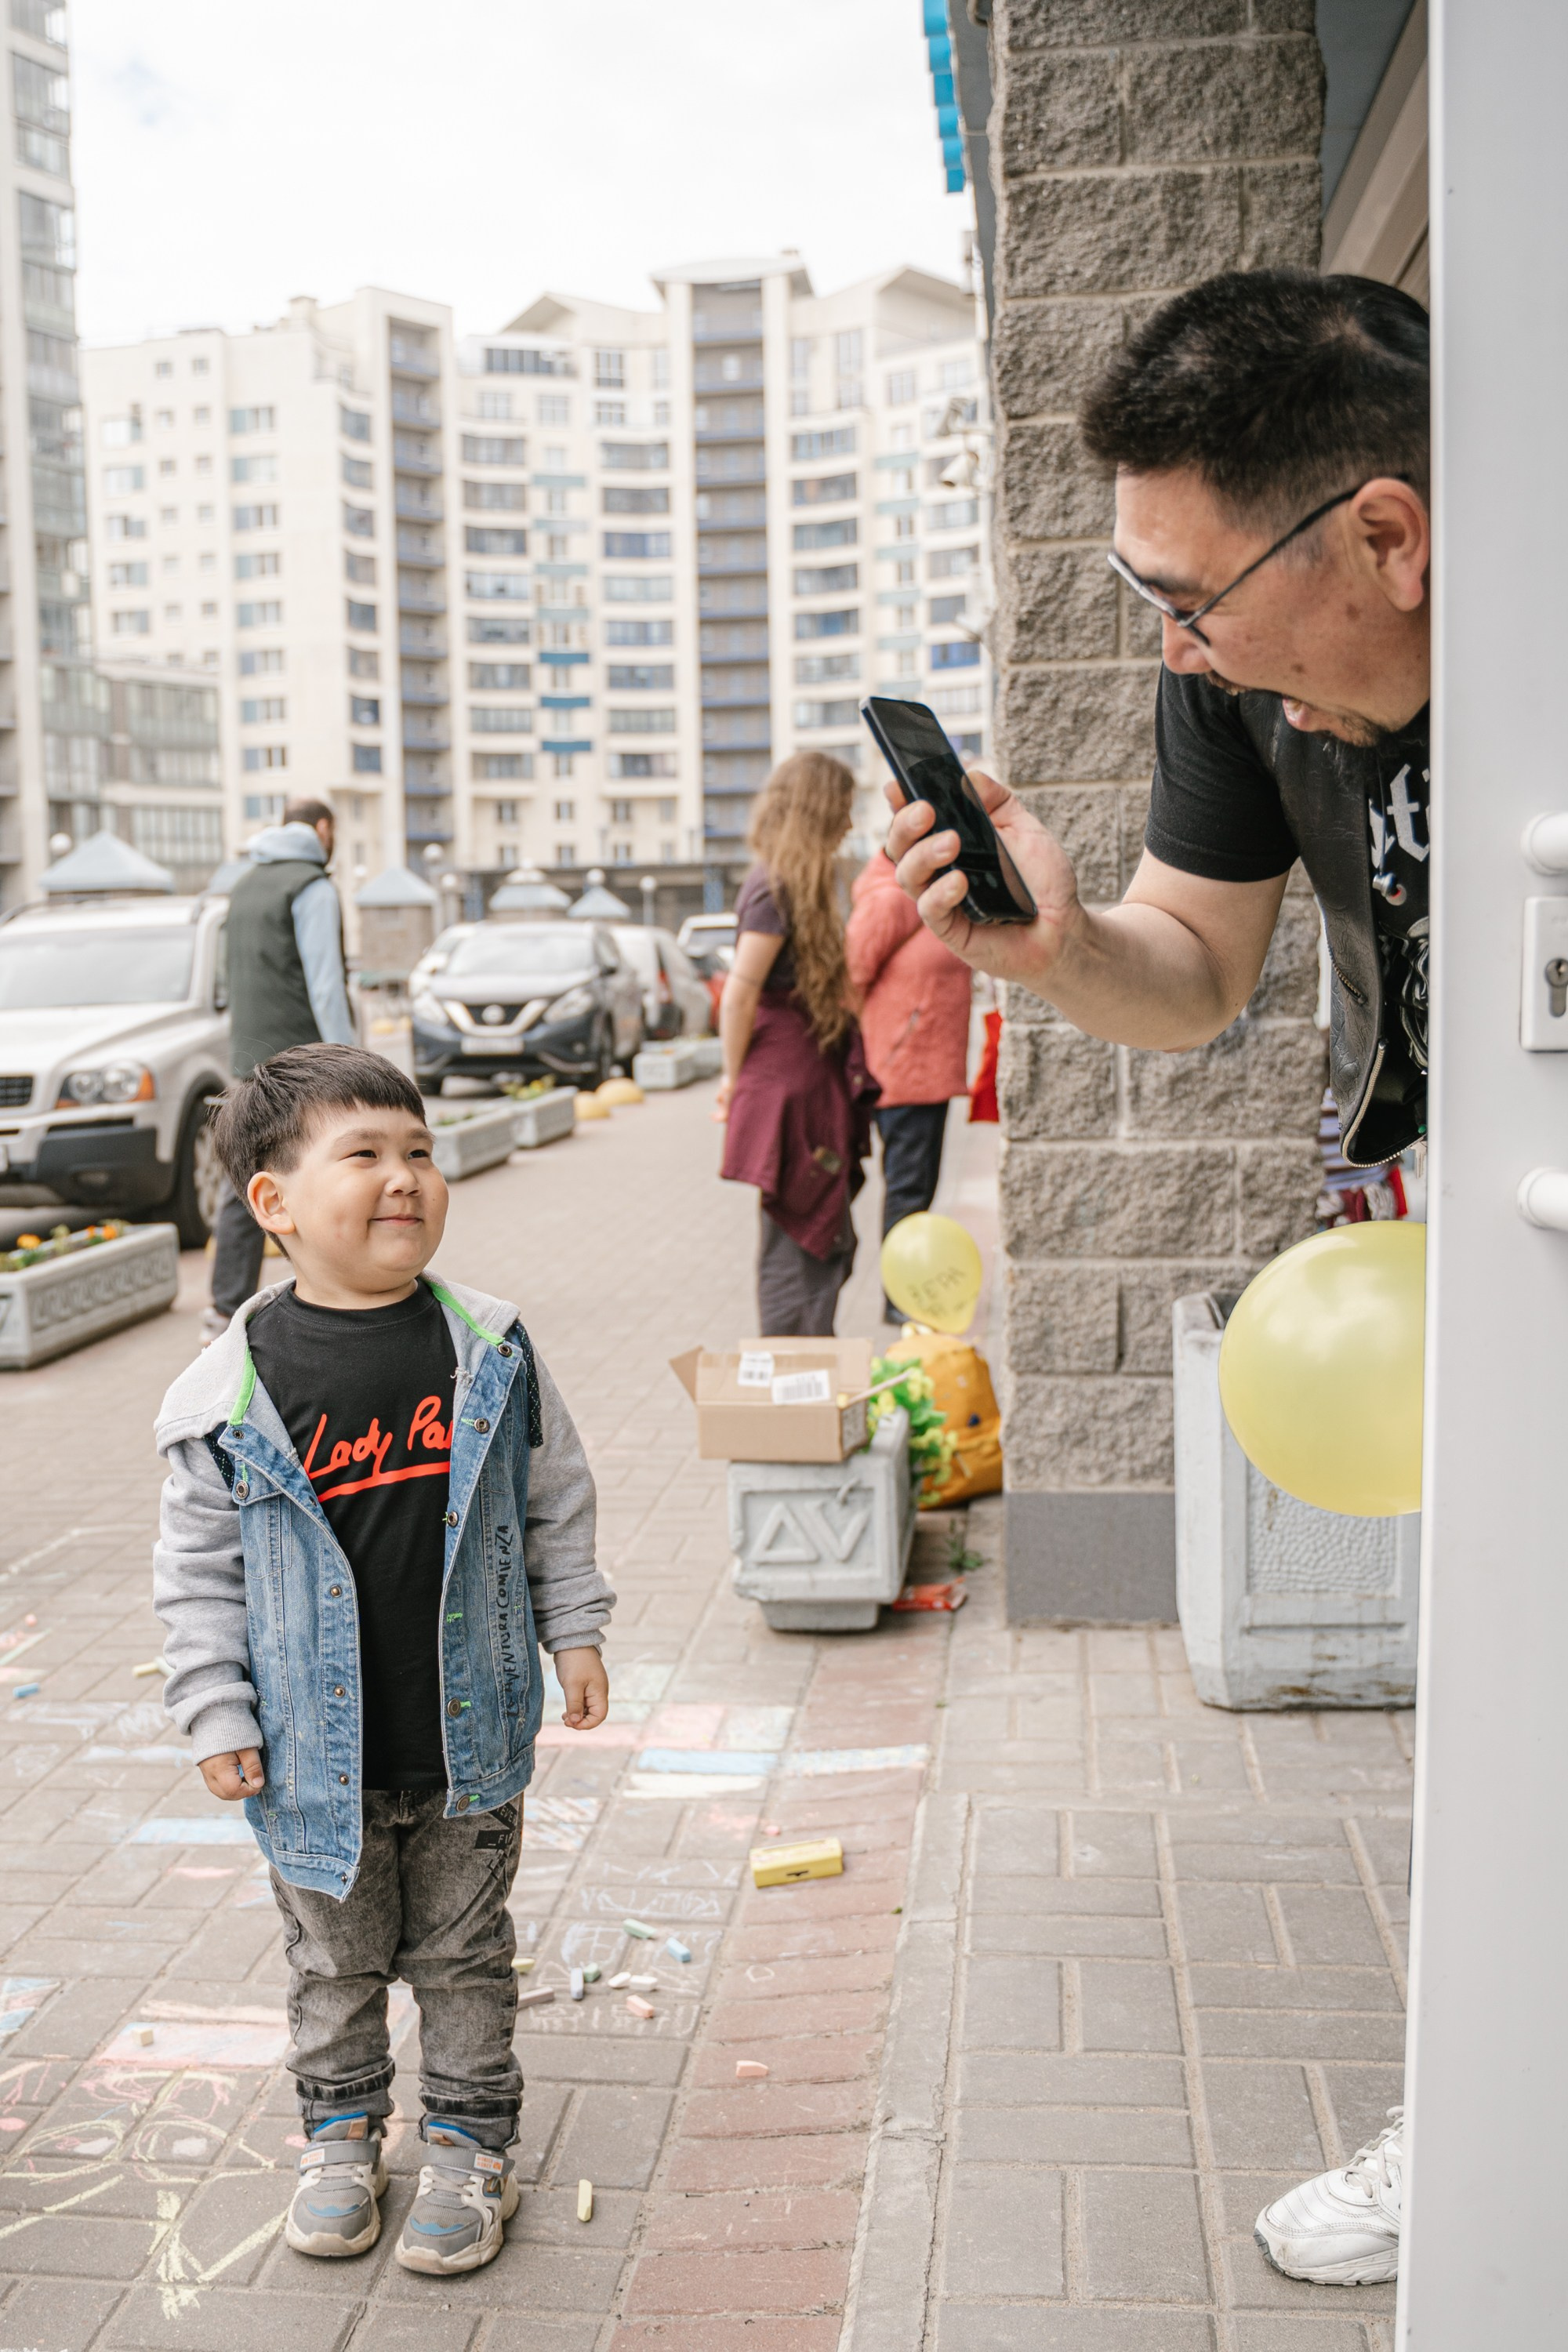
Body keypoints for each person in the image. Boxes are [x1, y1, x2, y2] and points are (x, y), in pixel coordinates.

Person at [887, 269, 1430, 2290]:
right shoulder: (1234, 685)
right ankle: (1479, 2103)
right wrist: (1044, 949)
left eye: (1188, 596)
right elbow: (1191, 969)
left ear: (1384, 532)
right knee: (1484, 1706)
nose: (1177, 648)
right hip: (1419, 1252)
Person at [152, 1044, 614, 2277]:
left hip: (468, 1737)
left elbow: (553, 1500)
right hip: (311, 1758)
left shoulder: (490, 1348)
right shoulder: (228, 1394)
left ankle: (469, 2140)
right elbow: (199, 1576)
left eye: (417, 1150)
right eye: (363, 1155)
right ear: (276, 1205)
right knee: (333, 1961)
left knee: (464, 1957)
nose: (404, 1177)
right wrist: (215, 1713)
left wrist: (576, 1628)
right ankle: (342, 2134)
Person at [714, 752, 879, 1336]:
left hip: (799, 1086)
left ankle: (804, 1380)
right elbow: (740, 993)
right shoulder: (777, 886)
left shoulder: (789, 882)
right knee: (803, 1241)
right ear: (815, 812)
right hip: (793, 1089)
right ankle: (796, 1387)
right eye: (841, 809)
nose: (850, 824)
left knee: (814, 1237)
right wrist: (732, 1080)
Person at [205, 797, 358, 1343]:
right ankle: (340, 1297)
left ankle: (224, 1310)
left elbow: (229, 980)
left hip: (250, 1060)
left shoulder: (245, 885)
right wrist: (350, 1061)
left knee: (250, 1176)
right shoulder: (312, 886)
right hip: (304, 1064)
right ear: (322, 829)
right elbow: (325, 982)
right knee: (331, 1171)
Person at [845, 846, 973, 1320]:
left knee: (917, 1190)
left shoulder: (927, 893)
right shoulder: (892, 897)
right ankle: (900, 1299)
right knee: (909, 1191)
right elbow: (849, 977)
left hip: (924, 1069)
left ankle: (904, 1294)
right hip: (904, 1070)